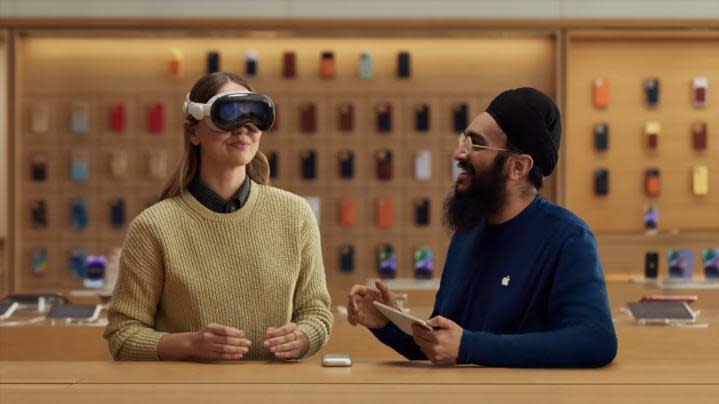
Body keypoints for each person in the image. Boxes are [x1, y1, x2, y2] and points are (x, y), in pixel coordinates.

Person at [348, 87, 617, 368]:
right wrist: (388, 322)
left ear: (518, 167)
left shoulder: (569, 238)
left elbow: (595, 340)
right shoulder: (467, 233)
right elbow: (444, 344)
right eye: (463, 141)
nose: (458, 154)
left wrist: (469, 346)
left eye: (475, 145)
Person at [104, 72, 333, 361]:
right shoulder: (153, 227)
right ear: (193, 132)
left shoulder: (295, 214)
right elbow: (123, 336)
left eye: (254, 117)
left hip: (277, 393)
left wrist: (303, 337)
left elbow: (316, 313)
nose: (244, 129)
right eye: (229, 115)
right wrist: (190, 345)